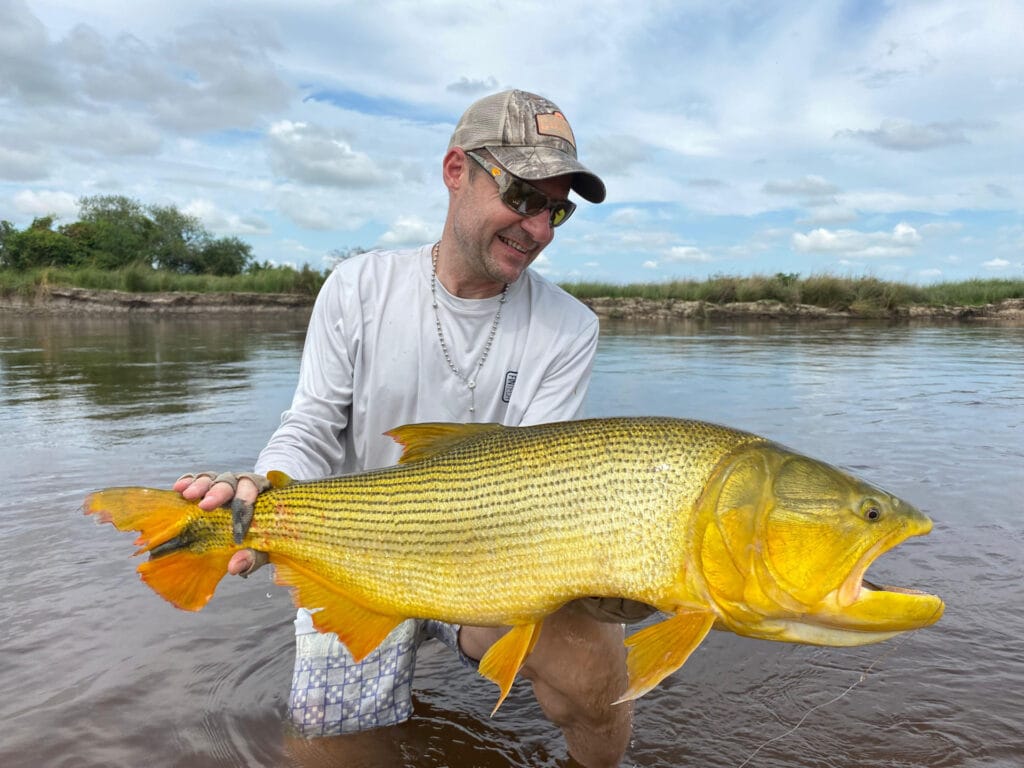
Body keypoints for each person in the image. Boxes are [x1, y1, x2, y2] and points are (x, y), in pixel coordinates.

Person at [175, 89, 643, 767]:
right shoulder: (357, 288)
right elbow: (310, 423)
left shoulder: (570, 327)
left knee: (594, 666)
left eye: (556, 209)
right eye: (522, 195)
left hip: (489, 567)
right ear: (457, 170)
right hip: (353, 560)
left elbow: (540, 484)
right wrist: (262, 484)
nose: (538, 228)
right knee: (331, 757)